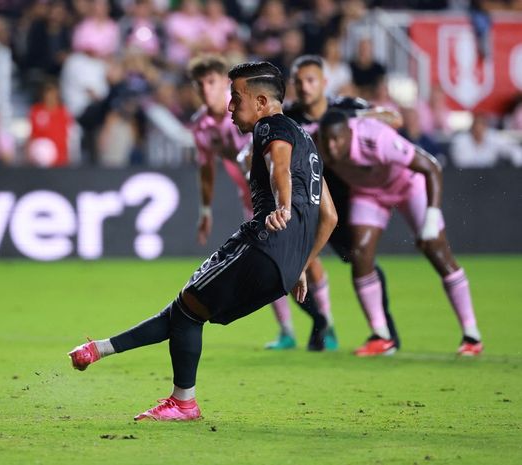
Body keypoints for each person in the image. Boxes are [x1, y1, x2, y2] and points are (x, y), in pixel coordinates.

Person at [68, 61, 338, 421]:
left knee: (185, 310)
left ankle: (182, 402)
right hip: (286, 268)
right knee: (188, 311)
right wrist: (302, 261)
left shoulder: (270, 126)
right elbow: (330, 216)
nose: (230, 106)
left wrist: (283, 206)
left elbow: (279, 166)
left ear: (261, 101)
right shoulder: (306, 138)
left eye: (236, 97)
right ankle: (100, 350)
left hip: (262, 243)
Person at [187, 54, 332, 351]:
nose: (206, 90)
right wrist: (205, 209)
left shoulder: (260, 118)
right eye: (199, 84)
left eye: (212, 82)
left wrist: (283, 204)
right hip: (255, 200)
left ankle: (326, 324)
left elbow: (277, 164)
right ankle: (287, 331)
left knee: (295, 261)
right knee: (270, 263)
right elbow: (206, 169)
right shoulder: (203, 125)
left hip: (280, 198)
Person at [317, 110, 483, 356]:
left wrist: (432, 216)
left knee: (436, 250)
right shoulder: (318, 147)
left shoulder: (376, 138)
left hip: (408, 185)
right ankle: (381, 336)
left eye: (336, 140)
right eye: (326, 141)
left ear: (349, 133)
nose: (331, 147)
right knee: (360, 255)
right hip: (369, 194)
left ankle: (472, 334)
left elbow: (432, 167)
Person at [284, 54, 402, 351]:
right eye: (299, 82)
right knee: (286, 267)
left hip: (345, 203)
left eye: (311, 80)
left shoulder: (345, 107)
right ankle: (322, 322)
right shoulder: (288, 117)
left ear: (324, 82)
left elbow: (394, 118)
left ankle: (385, 329)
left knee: (362, 261)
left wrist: (353, 122)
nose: (304, 87)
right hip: (307, 206)